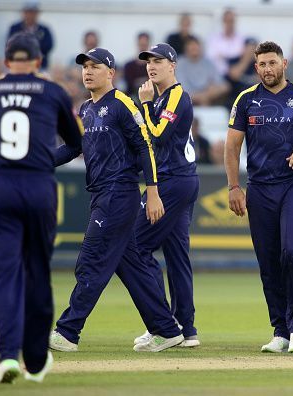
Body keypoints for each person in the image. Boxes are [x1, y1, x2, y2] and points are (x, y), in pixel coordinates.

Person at [49, 47, 184, 353]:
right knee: (130, 265)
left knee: (91, 260)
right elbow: (72, 147)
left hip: (118, 193)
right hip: (101, 193)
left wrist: (152, 192)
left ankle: (67, 331)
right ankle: (167, 329)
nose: (87, 71)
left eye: (95, 67)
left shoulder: (123, 103)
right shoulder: (85, 109)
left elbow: (145, 146)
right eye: (84, 67)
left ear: (110, 73)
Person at [224, 41, 293, 354]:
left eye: (273, 63)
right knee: (269, 262)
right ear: (255, 68)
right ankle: (280, 330)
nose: (268, 69)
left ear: (284, 64)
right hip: (259, 188)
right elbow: (232, 147)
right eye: (262, 65)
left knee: (292, 251)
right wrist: (233, 187)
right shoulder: (245, 100)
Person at [0, 33, 82, 384]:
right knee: (36, 271)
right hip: (38, 187)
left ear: (5, 62)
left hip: (0, 188)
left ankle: (6, 357)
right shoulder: (52, 91)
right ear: (36, 61)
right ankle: (34, 358)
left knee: (4, 275)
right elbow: (75, 142)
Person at [132, 43, 200, 348]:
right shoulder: (163, 98)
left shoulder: (174, 95)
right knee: (176, 257)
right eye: (148, 61)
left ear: (172, 65)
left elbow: (157, 135)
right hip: (179, 180)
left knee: (135, 246)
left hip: (173, 181)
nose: (151, 66)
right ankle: (186, 328)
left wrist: (144, 105)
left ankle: (162, 323)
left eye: (158, 60)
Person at [176, 37, 230, 106]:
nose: (194, 50)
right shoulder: (180, 63)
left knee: (226, 87)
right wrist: (201, 96)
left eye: (196, 48)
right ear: (186, 50)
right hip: (189, 97)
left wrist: (211, 90)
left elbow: (222, 84)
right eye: (192, 48)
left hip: (209, 95)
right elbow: (182, 89)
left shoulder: (208, 62)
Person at [8, 2, 53, 70]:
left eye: (33, 12)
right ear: (23, 13)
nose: (30, 15)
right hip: (18, 66)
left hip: (40, 66)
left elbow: (48, 45)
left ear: (37, 14)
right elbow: (10, 45)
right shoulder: (15, 28)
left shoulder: (44, 29)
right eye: (28, 12)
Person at [207, 8, 245, 76]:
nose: (230, 24)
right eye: (227, 21)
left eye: (232, 21)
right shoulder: (214, 39)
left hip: (237, 73)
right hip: (220, 74)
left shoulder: (241, 38)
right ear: (223, 21)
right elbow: (211, 58)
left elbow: (242, 55)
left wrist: (223, 56)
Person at [124, 32, 151, 97]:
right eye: (141, 44)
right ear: (137, 44)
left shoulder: (153, 65)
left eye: (145, 45)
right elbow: (130, 84)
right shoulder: (129, 66)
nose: (143, 47)